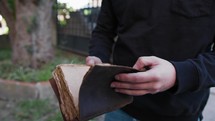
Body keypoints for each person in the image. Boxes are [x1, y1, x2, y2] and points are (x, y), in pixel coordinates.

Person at [86, 0, 215, 121]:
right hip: (117, 104)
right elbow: (103, 30)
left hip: (179, 113)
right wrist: (98, 56)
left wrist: (178, 74)